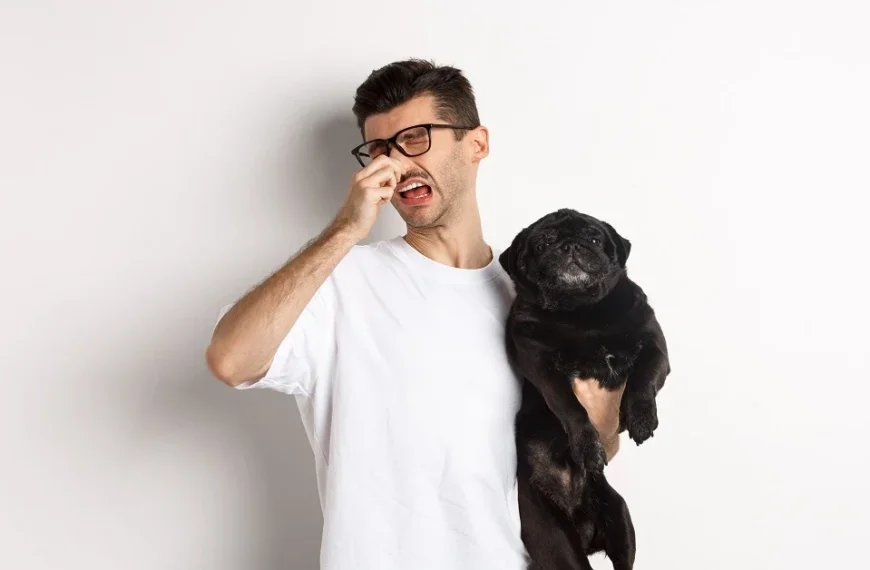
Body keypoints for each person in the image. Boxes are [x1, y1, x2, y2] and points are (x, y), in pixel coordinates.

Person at [206, 59, 624, 570]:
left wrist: (603, 418)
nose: (396, 163)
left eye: (416, 138)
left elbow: (587, 451)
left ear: (477, 144)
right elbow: (231, 360)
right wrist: (344, 231)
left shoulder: (534, 298)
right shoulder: (341, 281)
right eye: (379, 149)